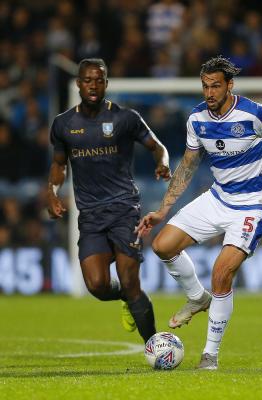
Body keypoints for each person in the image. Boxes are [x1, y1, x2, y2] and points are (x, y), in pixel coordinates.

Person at [135, 56, 262, 370]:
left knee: (221, 273)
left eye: (215, 86)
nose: (209, 92)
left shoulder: (253, 114)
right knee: (162, 245)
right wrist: (162, 210)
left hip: (252, 205)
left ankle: (210, 355)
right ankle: (198, 298)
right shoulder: (197, 119)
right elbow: (188, 164)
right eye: (205, 86)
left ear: (229, 85)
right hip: (218, 197)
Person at [47, 58, 171, 344]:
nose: (93, 85)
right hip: (90, 216)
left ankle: (155, 346)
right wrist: (51, 192)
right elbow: (58, 164)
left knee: (130, 280)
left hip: (124, 209)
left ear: (106, 83)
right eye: (87, 80)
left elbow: (157, 147)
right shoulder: (63, 124)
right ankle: (128, 299)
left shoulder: (125, 118)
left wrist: (162, 164)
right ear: (78, 83)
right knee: (98, 286)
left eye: (99, 79)